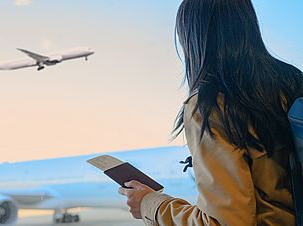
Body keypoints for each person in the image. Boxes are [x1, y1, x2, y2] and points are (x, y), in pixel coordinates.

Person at [118, 0, 303, 225]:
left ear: (192, 38)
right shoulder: (294, 81)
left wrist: (150, 203)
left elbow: (224, 222)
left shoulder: (211, 105)